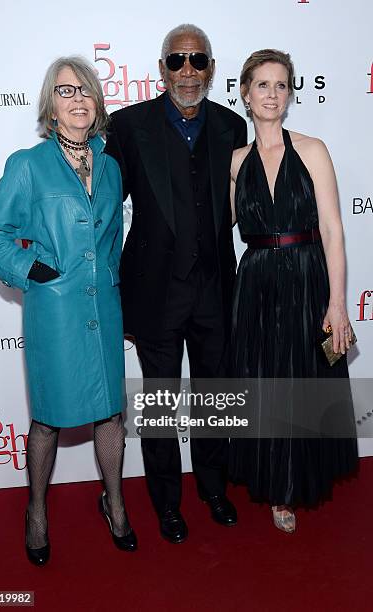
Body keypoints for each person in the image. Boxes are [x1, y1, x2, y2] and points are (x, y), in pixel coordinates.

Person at [0, 56, 137, 564]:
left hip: (102, 307)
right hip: (55, 312)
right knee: (47, 419)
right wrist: (32, 270)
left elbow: (112, 237)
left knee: (111, 413)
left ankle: (113, 501)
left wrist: (109, 279)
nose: (78, 100)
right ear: (51, 105)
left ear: (97, 101)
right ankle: (37, 510)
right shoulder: (28, 165)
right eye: (66, 92)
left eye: (85, 90)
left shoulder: (110, 166)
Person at [105, 24, 247, 543]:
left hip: (214, 288)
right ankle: (167, 502)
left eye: (198, 60)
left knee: (216, 396)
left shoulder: (232, 127)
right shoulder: (126, 127)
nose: (187, 71)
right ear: (161, 68)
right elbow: (98, 203)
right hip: (156, 291)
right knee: (161, 402)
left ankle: (213, 487)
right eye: (177, 60)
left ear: (210, 68)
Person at [229, 49, 358, 532]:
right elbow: (219, 225)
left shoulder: (312, 149)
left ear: (290, 95)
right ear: (245, 92)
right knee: (266, 381)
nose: (271, 94)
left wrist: (338, 303)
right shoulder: (236, 162)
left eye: (281, 86)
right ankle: (276, 486)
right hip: (257, 281)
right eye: (262, 85)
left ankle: (293, 482)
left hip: (306, 277)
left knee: (302, 377)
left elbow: (333, 231)